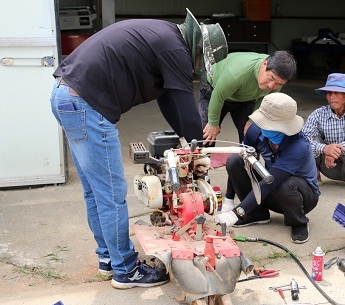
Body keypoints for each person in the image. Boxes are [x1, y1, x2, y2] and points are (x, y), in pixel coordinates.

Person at [50, 9, 228, 289]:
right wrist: (198, 151)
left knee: (96, 193)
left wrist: (185, 140)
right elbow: (183, 101)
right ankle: (126, 270)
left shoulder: (162, 35)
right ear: (197, 49)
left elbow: (168, 99)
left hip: (66, 97)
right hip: (86, 104)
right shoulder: (174, 47)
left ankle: (109, 259)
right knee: (110, 194)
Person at [214, 93, 320, 244]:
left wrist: (236, 213)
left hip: (302, 197)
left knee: (285, 183)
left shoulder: (298, 146)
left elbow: (271, 182)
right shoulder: (256, 131)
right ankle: (257, 214)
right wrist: (229, 200)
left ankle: (298, 222)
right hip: (271, 191)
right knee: (235, 160)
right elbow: (242, 163)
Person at [199, 51, 297, 213]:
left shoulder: (273, 85)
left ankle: (231, 197)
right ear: (264, 65)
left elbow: (265, 99)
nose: (271, 86)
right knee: (205, 137)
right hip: (214, 90)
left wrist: (253, 120)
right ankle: (199, 181)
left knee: (249, 145)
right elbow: (219, 95)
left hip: (246, 98)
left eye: (278, 84)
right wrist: (213, 122)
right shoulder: (237, 73)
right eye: (270, 78)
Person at [302, 73, 345, 195]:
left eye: (336, 93)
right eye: (329, 93)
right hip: (328, 167)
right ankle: (314, 174)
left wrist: (336, 151)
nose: (331, 97)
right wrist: (324, 148)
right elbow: (304, 140)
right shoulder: (318, 114)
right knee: (310, 140)